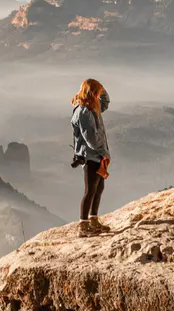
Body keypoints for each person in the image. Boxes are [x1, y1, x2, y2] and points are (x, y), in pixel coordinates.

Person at [71, 79, 112, 237]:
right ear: (91, 93)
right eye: (97, 92)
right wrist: (104, 153)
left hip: (98, 155)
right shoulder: (83, 112)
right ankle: (83, 225)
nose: (99, 96)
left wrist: (101, 88)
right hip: (90, 156)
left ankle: (93, 220)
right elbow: (91, 139)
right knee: (90, 190)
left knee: (99, 188)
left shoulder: (93, 107)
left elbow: (106, 102)